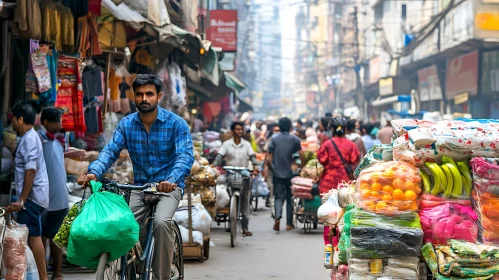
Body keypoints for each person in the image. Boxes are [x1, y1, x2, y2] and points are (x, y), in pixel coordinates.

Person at [77, 74, 194, 279]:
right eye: (139, 94)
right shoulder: (127, 124)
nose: (144, 99)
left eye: (149, 94)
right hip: (140, 187)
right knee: (124, 224)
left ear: (158, 96)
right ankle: (133, 267)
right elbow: (110, 151)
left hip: (168, 187)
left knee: (160, 222)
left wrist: (172, 180)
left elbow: (185, 156)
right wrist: (93, 172)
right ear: (134, 97)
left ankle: (161, 276)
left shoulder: (177, 124)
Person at [7, 102, 49, 280]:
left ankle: (42, 276)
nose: (13, 124)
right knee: (30, 236)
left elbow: (30, 171)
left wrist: (22, 200)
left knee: (33, 237)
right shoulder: (28, 138)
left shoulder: (30, 139)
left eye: (14, 120)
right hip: (32, 196)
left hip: (31, 198)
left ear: (21, 119)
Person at [317, 117, 360, 246]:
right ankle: (341, 243)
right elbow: (355, 161)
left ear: (332, 130)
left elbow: (321, 159)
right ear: (345, 129)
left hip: (328, 185)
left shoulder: (327, 145)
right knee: (344, 215)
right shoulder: (351, 145)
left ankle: (329, 243)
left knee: (328, 216)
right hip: (344, 186)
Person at [213, 122, 259, 237]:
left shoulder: (247, 144)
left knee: (245, 200)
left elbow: (252, 157)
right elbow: (219, 156)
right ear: (233, 131)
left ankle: (245, 227)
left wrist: (255, 165)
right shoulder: (227, 144)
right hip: (231, 175)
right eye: (237, 129)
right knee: (229, 198)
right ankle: (231, 223)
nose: (239, 131)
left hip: (244, 176)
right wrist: (213, 165)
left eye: (241, 129)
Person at [38, 108, 68, 280]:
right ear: (46, 122)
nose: (60, 124)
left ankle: (57, 273)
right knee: (40, 236)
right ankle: (43, 273)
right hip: (43, 198)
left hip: (59, 197)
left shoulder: (56, 142)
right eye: (57, 121)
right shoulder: (39, 141)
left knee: (56, 238)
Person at [267, 117, 304, 231]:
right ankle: (289, 223)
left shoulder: (273, 139)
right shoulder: (295, 139)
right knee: (289, 197)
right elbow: (300, 156)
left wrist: (272, 168)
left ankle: (277, 217)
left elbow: (269, 158)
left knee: (278, 197)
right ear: (290, 127)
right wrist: (299, 166)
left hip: (277, 172)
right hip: (290, 173)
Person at [263, 123, 280, 211]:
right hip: (271, 167)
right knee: (270, 186)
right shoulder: (271, 140)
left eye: (278, 130)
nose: (276, 132)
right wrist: (265, 167)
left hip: (280, 168)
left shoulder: (283, 141)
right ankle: (271, 202)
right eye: (275, 130)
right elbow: (267, 154)